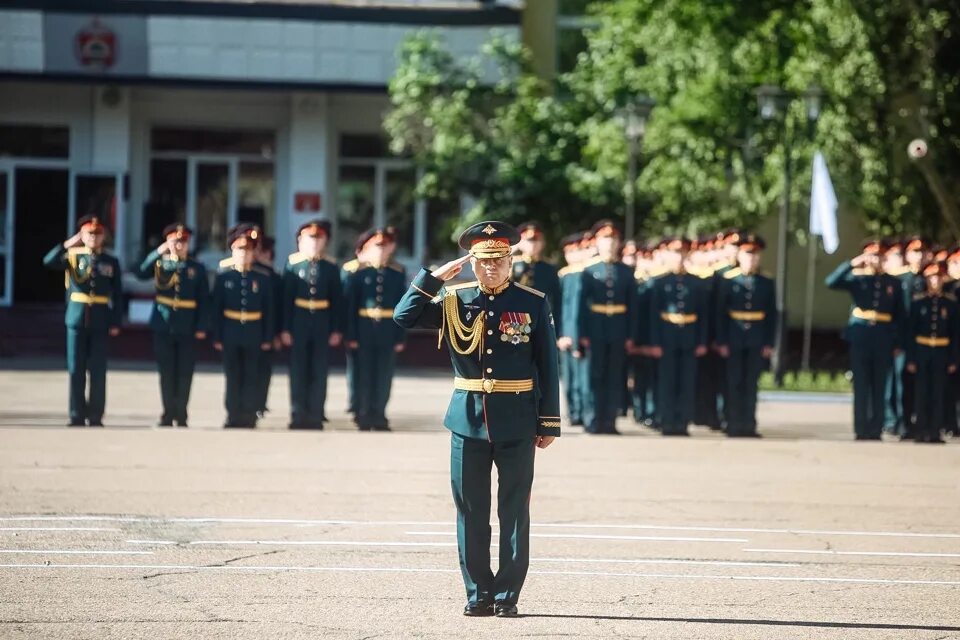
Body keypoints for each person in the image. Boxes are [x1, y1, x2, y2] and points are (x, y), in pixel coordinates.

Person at [393, 220, 560, 619]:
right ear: (471, 263)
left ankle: (507, 595)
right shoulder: (455, 298)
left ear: (510, 260)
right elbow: (403, 317)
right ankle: (478, 593)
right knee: (470, 510)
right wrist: (432, 278)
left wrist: (548, 421)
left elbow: (547, 365)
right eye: (482, 262)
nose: (490, 269)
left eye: (498, 261)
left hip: (518, 417)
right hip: (467, 418)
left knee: (514, 510)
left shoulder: (533, 301)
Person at [43, 215, 123, 427]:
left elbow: (118, 293)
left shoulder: (110, 261)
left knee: (98, 369)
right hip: (77, 318)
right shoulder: (72, 256)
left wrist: (116, 321)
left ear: (103, 236)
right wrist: (69, 243)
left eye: (97, 234)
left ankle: (96, 415)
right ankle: (76, 413)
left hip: (100, 319)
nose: (93, 238)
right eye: (89, 233)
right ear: (82, 235)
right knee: (75, 368)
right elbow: (48, 261)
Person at [825, 239, 905, 440]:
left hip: (883, 337)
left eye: (879, 256)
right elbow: (831, 282)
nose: (875, 260)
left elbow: (900, 315)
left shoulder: (893, 283)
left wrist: (897, 342)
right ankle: (861, 429)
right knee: (861, 385)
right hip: (861, 336)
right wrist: (852, 263)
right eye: (872, 255)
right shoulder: (857, 279)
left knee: (879, 385)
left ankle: (875, 428)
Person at [134, 223, 208, 427]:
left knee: (185, 372)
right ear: (168, 242)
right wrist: (158, 252)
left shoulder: (196, 268)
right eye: (175, 241)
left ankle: (181, 413)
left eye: (183, 241)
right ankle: (167, 412)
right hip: (163, 324)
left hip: (187, 325)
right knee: (166, 372)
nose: (179, 245)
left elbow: (203, 299)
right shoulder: (160, 263)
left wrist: (201, 326)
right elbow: (140, 271)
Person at [281, 219, 343, 429]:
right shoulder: (293, 265)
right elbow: (286, 299)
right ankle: (298, 414)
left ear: (325, 241)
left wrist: (336, 329)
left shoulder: (331, 267)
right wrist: (285, 328)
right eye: (311, 238)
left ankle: (316, 415)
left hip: (322, 323)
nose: (315, 243)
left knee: (319, 370)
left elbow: (337, 301)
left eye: (319, 239)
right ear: (301, 240)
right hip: (298, 322)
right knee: (298, 370)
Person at [211, 224, 274, 428]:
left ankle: (248, 414)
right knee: (232, 374)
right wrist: (217, 336)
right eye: (239, 250)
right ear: (232, 251)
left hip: (253, 330)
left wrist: (267, 337)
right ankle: (233, 414)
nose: (244, 254)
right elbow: (216, 310)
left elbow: (269, 311)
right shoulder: (224, 278)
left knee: (251, 374)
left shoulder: (262, 278)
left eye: (247, 250)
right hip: (231, 330)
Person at [577, 220, 636, 435]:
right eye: (605, 239)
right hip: (595, 328)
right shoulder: (589, 271)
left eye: (613, 239)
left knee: (614, 376)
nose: (610, 244)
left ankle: (610, 420)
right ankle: (593, 419)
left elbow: (633, 306)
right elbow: (581, 307)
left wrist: (631, 334)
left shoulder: (626, 271)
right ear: (597, 243)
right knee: (595, 375)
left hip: (618, 328)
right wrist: (581, 334)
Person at [344, 227, 406, 431]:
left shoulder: (397, 273)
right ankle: (363, 413)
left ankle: (379, 413)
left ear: (390, 248)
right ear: (367, 248)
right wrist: (350, 334)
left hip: (387, 329)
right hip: (364, 328)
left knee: (384, 374)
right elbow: (351, 306)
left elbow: (403, 307)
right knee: (363, 373)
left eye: (384, 246)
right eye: (376, 246)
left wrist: (400, 336)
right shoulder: (358, 273)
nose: (380, 250)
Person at [715, 234, 776, 437]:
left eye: (755, 255)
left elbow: (771, 315)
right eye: (747, 254)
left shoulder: (766, 282)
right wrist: (721, 340)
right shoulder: (728, 281)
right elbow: (720, 313)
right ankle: (732, 423)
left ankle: (748, 424)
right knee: (733, 382)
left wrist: (769, 342)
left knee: (751, 383)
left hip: (756, 338)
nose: (751, 258)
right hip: (734, 336)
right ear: (739, 256)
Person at [645, 237, 707, 436]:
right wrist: (654, 341)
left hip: (689, 336)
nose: (679, 257)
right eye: (675, 252)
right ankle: (667, 421)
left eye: (682, 252)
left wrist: (702, 340)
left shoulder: (696, 282)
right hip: (666, 337)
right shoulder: (659, 282)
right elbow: (653, 316)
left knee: (687, 381)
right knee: (666, 381)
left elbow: (703, 315)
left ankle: (682, 422)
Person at [905, 260, 958, 444]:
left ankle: (935, 430)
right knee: (921, 392)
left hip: (941, 350)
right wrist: (910, 358)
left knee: (938, 392)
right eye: (931, 278)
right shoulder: (919, 302)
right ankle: (921, 430)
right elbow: (910, 332)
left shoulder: (950, 304)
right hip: (922, 349)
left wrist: (953, 359)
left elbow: (955, 333)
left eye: (938, 277)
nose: (935, 281)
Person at [557, 232, 587, 426]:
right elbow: (559, 308)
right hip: (565, 333)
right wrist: (560, 334)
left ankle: (583, 411)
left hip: (582, 334)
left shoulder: (587, 274)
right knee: (569, 377)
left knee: (582, 378)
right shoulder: (563, 275)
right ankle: (574, 411)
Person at [253, 235, 284, 419]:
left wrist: (277, 333)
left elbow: (277, 307)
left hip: (267, 330)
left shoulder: (272, 277)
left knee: (264, 369)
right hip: (248, 328)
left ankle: (260, 403)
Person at [513, 222, 562, 318]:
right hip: (516, 316)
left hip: (542, 317)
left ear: (543, 243)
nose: (532, 244)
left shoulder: (549, 267)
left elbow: (556, 299)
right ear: (521, 242)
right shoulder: (512, 264)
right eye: (528, 240)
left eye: (536, 240)